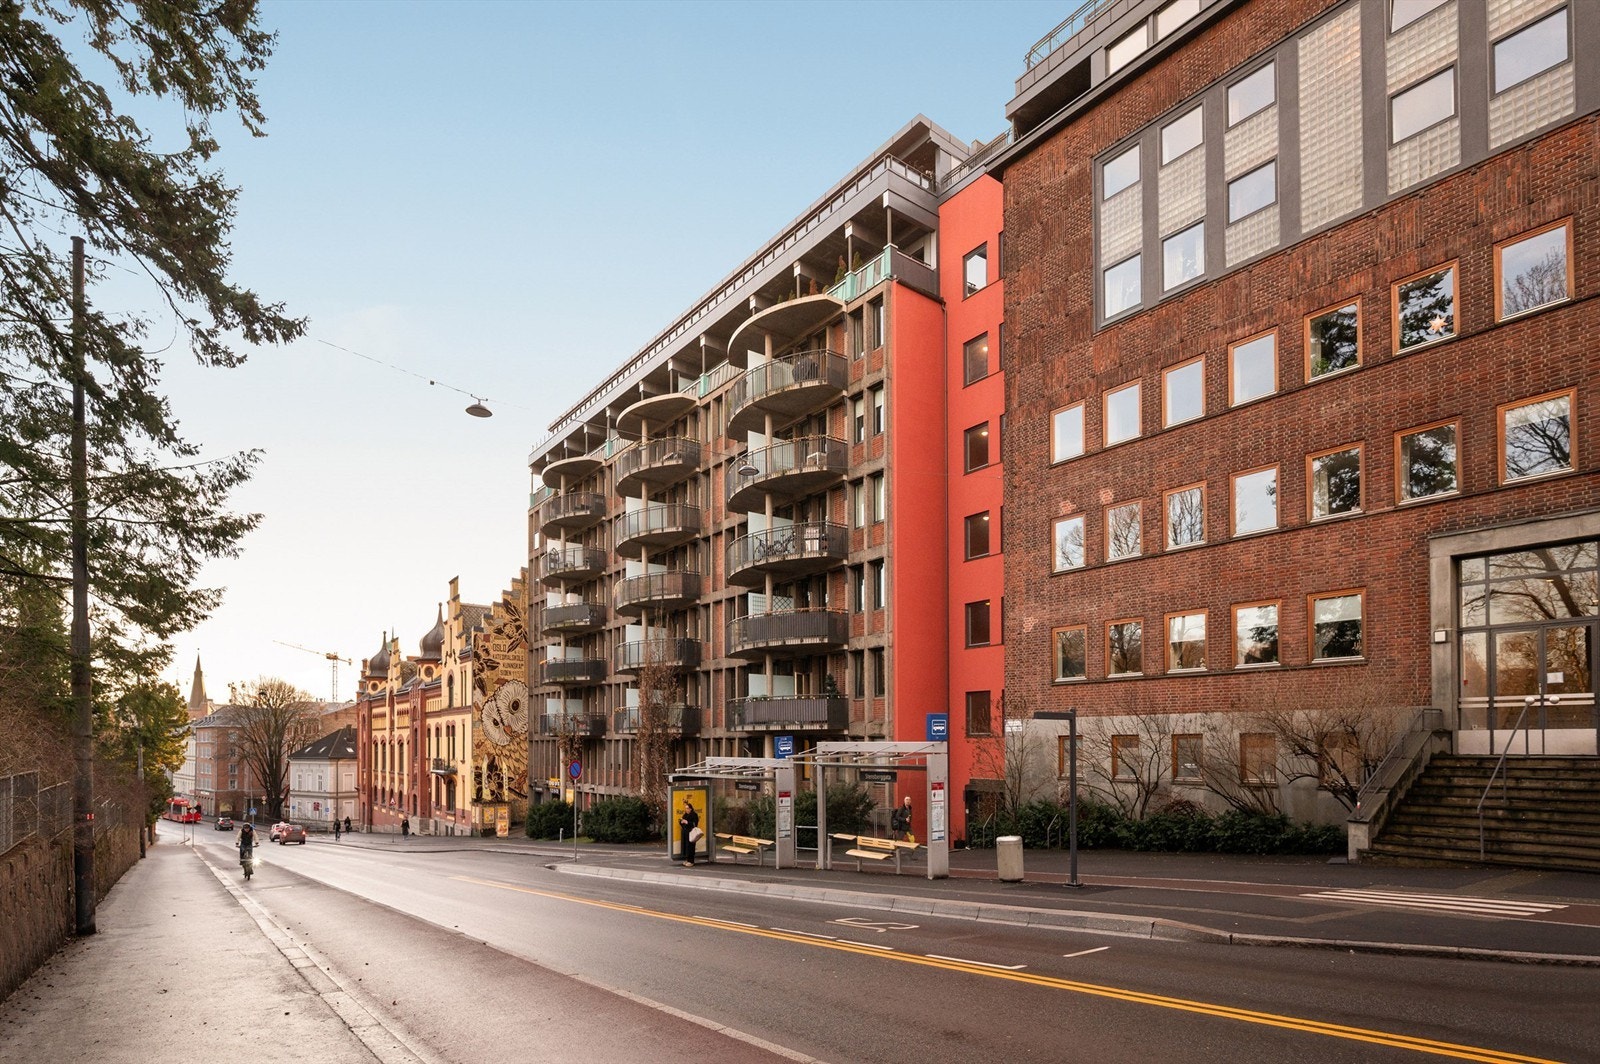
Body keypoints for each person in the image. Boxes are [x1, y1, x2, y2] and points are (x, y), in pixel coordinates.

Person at [677, 797, 699, 868]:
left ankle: (691, 861)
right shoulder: (685, 814)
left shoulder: (694, 814)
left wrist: (687, 822)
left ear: (690, 808)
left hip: (691, 832)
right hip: (685, 832)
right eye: (685, 808)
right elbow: (681, 821)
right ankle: (687, 859)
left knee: (691, 847)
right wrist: (681, 821)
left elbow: (695, 824)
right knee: (686, 847)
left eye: (687, 808)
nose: (686, 810)